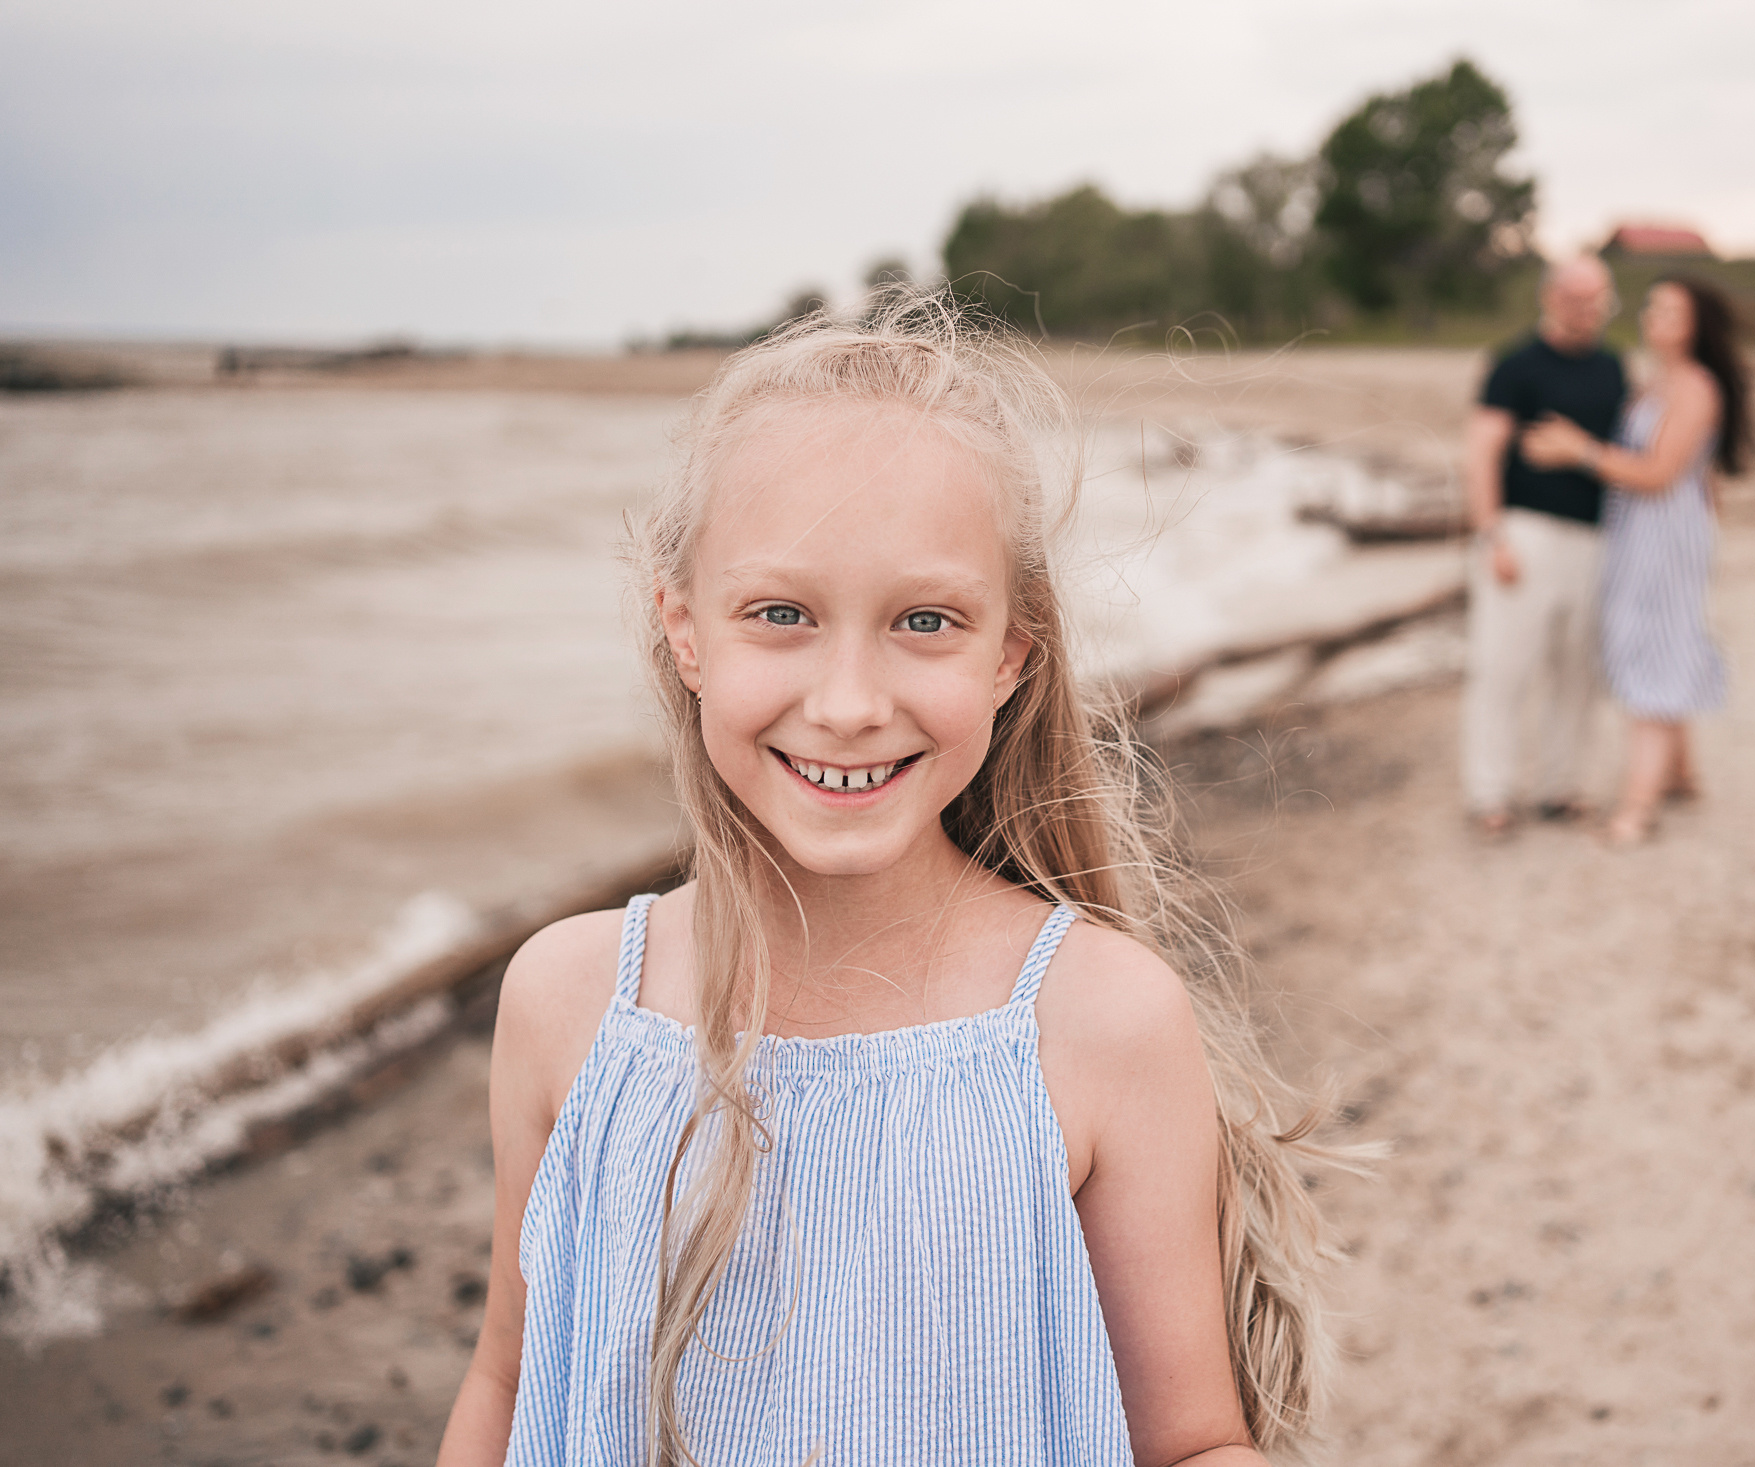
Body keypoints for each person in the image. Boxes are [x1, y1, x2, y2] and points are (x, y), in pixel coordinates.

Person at [433, 296, 1346, 1467]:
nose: (851, 703)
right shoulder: (567, 1003)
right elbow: (511, 1378)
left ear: (1009, 653)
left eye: (924, 620)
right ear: (685, 628)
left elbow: (1188, 1443)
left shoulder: (1098, 1022)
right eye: (782, 614)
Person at [1522, 275, 1755, 847]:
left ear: (1696, 327)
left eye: (1670, 310)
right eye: (1653, 305)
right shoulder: (1656, 380)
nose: (1653, 315)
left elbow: (1657, 474)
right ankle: (1681, 774)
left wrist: (1577, 449)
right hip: (1640, 531)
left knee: (1654, 647)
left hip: (1663, 535)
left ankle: (1638, 807)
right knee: (1664, 639)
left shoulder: (1695, 387)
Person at [1458, 257, 1629, 838]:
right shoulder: (1514, 365)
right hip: (1524, 532)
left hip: (1595, 537)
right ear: (1550, 298)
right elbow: (1481, 453)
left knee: (1578, 673)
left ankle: (1562, 787)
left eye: (1598, 299)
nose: (1588, 310)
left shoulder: (1613, 367)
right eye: (1577, 298)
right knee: (1503, 669)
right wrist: (1491, 535)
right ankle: (1490, 794)